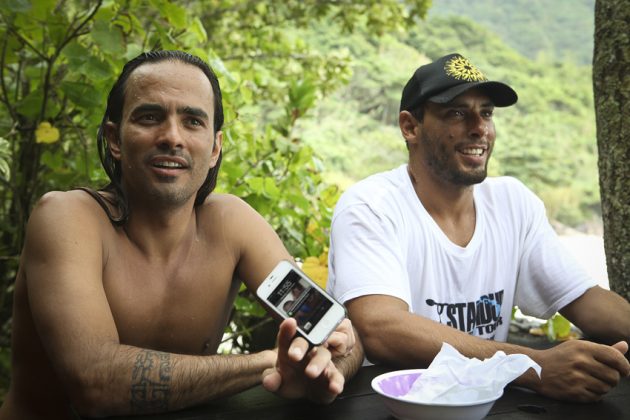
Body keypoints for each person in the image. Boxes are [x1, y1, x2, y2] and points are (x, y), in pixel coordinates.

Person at [0, 50, 362, 420]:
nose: (172, 137)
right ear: (115, 139)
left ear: (215, 148)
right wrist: (269, 363)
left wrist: (326, 368)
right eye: (150, 117)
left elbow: (339, 333)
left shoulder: (231, 225)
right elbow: (95, 383)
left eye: (192, 121)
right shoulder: (68, 219)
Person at [327, 53, 630, 402]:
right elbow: (380, 328)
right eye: (456, 112)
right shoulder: (371, 206)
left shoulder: (513, 203)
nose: (479, 127)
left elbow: (585, 299)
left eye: (486, 112)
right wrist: (532, 366)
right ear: (410, 127)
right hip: (388, 405)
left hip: (484, 405)